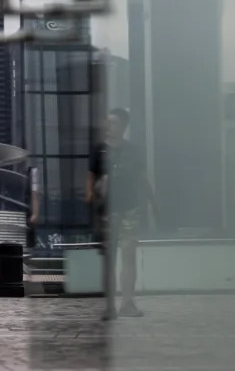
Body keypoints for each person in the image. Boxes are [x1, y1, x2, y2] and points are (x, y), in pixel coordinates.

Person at [87, 108, 158, 320]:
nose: (110, 127)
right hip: (107, 210)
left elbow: (143, 178)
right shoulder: (99, 150)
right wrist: (92, 196)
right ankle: (109, 305)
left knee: (128, 255)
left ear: (124, 126)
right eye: (108, 122)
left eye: (115, 123)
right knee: (109, 257)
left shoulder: (133, 150)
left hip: (129, 209)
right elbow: (90, 179)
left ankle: (127, 303)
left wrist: (154, 204)